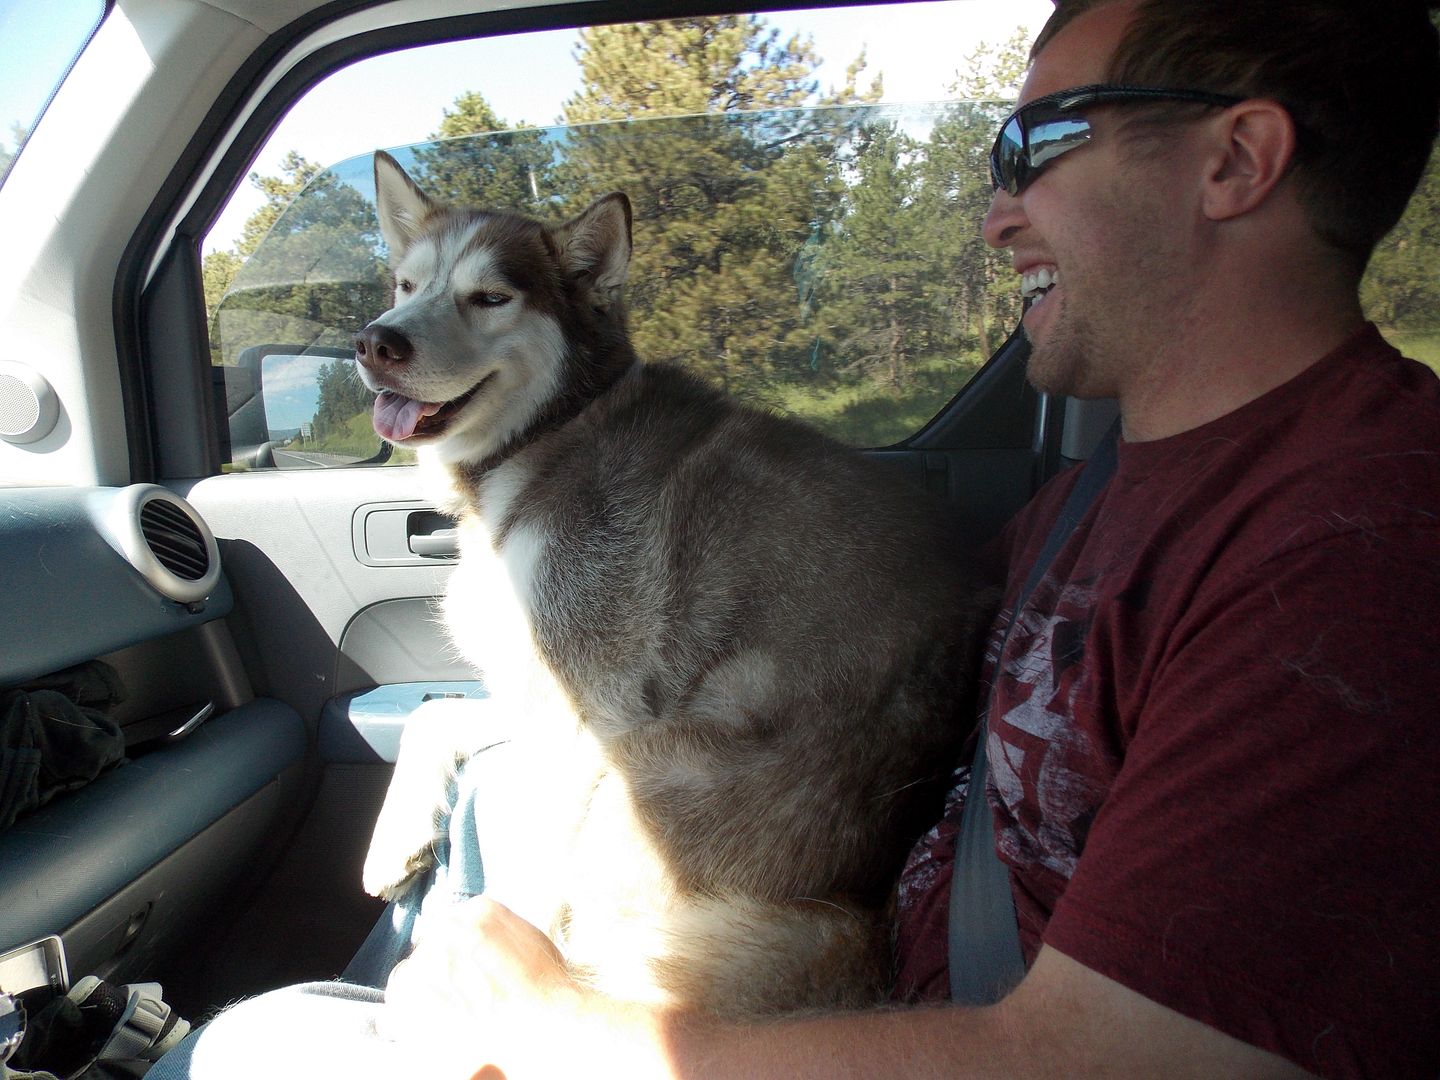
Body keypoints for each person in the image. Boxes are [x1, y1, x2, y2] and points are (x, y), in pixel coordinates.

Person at [148, 0, 1440, 1076]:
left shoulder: (1356, 557)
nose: (996, 215)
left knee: (241, 1052)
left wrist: (562, 1028)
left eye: (1038, 144)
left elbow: (1083, 1061)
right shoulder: (1118, 489)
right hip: (815, 956)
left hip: (850, 1016)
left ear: (1235, 162)